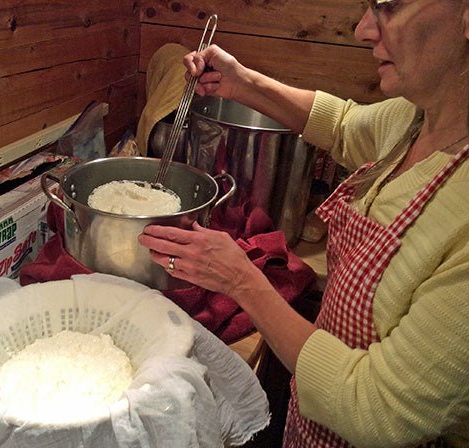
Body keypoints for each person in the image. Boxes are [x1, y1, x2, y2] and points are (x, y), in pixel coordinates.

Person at [138, 1, 469, 446]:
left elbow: (379, 410)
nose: (363, 29)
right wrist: (242, 82)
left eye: (389, 5)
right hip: (313, 420)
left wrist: (242, 279)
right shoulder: (417, 119)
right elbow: (343, 125)